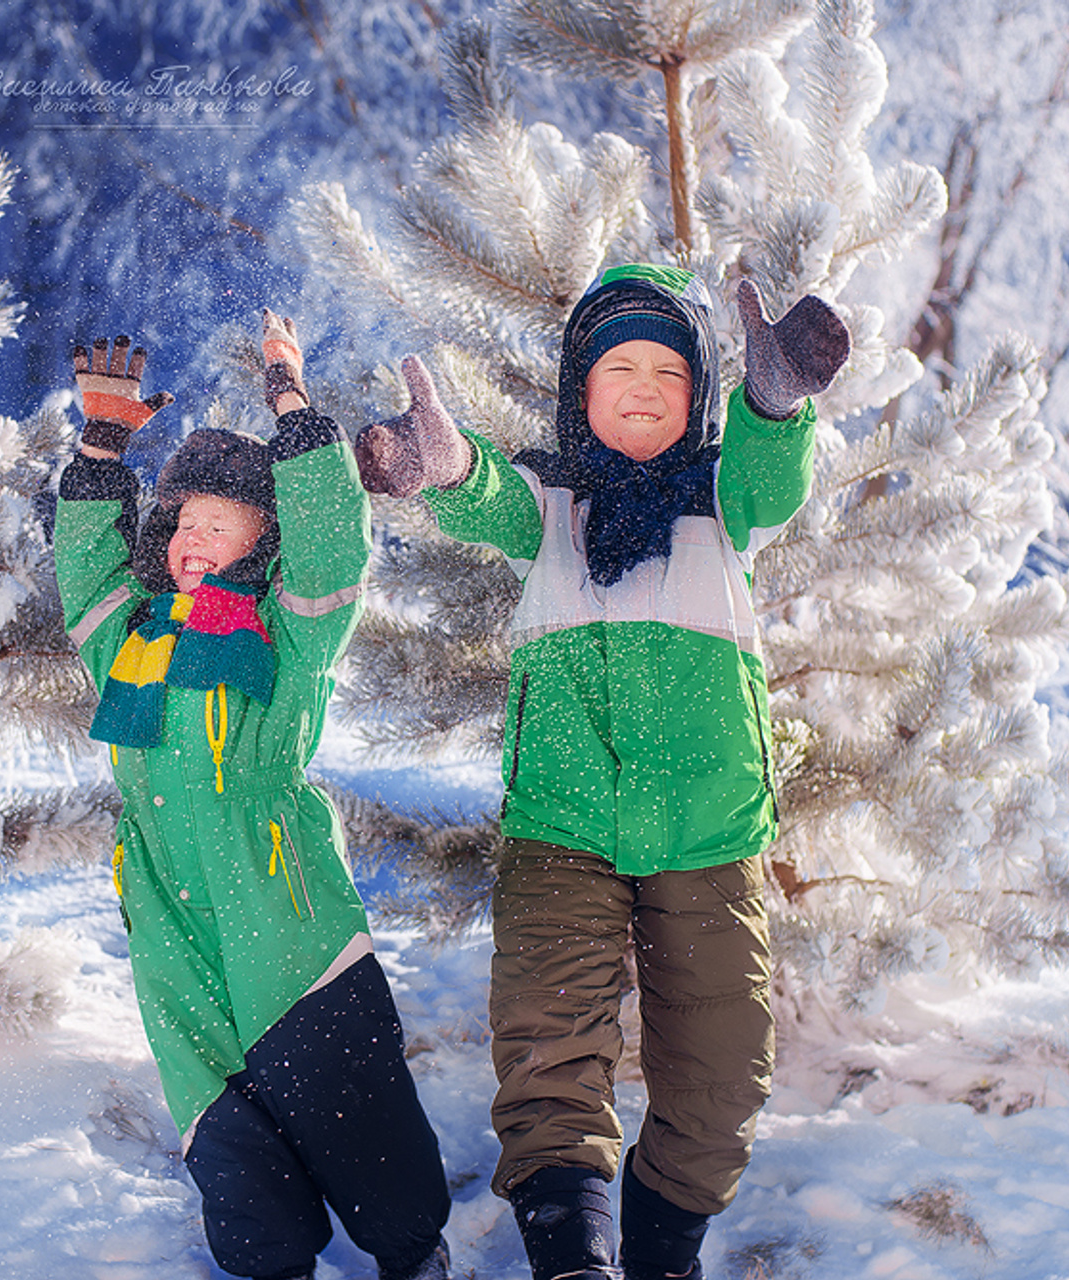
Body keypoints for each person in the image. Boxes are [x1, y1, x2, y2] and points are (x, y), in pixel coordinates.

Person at [354, 265, 850, 1280]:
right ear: (576, 389)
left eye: (667, 370)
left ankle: (663, 1243)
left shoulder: (724, 499)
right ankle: (574, 1253)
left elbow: (772, 474)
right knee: (547, 1047)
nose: (640, 383)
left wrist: (771, 399)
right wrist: (447, 462)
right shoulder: (551, 505)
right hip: (561, 825)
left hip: (710, 830)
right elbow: (483, 491)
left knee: (723, 1074)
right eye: (615, 364)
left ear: (697, 395)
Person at [54, 311, 453, 1280]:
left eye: (216, 522)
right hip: (164, 896)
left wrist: (291, 402)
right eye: (180, 519)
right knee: (216, 1102)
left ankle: (413, 1251)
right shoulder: (132, 637)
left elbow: (329, 551)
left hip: (276, 890)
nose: (190, 534)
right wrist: (102, 452)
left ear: (260, 538)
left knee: (337, 1080)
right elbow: (85, 573)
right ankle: (268, 1260)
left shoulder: (285, 631)